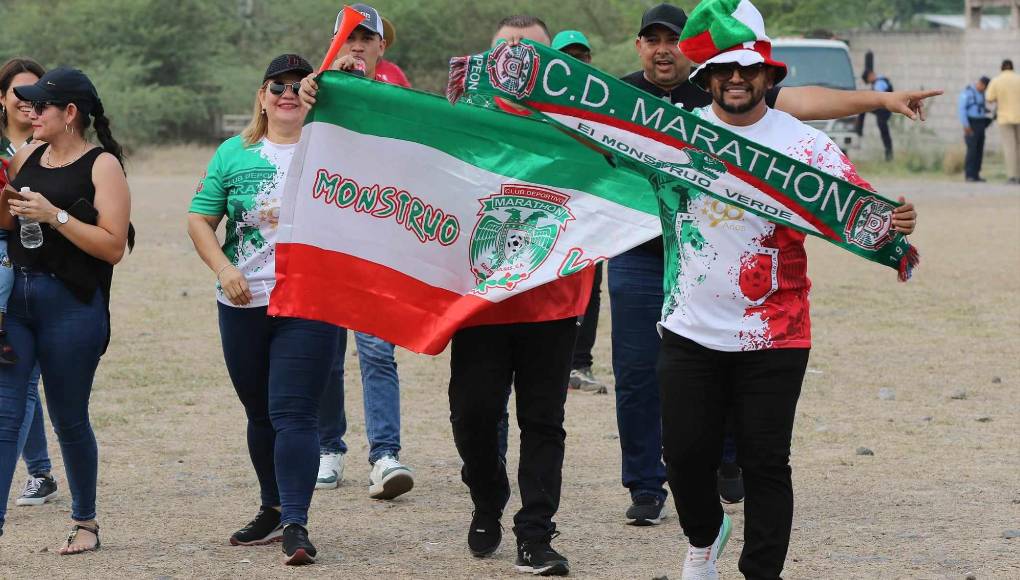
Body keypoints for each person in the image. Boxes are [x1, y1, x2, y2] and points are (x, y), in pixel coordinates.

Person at [608, 2, 942, 527]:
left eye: (670, 38)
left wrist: (883, 100)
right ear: (640, 47)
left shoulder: (742, 100)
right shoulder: (625, 104)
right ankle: (649, 487)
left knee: (750, 426)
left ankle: (731, 463)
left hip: (757, 295)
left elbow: (812, 111)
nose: (661, 48)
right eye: (651, 39)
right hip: (647, 261)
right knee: (641, 382)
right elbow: (571, 139)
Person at [188, 54, 341, 566]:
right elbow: (199, 220)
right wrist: (224, 269)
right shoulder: (235, 153)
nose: (288, 93)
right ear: (262, 96)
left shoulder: (336, 152)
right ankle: (272, 508)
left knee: (294, 413)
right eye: (277, 86)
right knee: (259, 413)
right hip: (242, 298)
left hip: (311, 301)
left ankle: (298, 523)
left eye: (300, 86)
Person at [0, 66, 133, 554]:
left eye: (41, 105)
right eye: (28, 104)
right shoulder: (26, 156)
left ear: (70, 113)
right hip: (17, 300)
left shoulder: (103, 167)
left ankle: (86, 523)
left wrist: (54, 217)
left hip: (72, 304)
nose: (31, 112)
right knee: (5, 414)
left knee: (69, 417)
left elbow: (113, 246)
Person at [312, 3, 415, 500]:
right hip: (325, 238)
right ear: (333, 43)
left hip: (377, 240)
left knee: (376, 349)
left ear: (380, 47)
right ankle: (329, 446)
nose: (356, 46)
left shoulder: (400, 95)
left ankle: (385, 455)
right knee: (326, 354)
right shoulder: (310, 91)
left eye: (365, 38)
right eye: (347, 37)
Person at [0, 57, 55, 509]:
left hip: (37, 270)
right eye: (19, 92)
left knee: (20, 376)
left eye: (38, 94)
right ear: (1, 98)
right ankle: (40, 469)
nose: (28, 102)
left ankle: (38, 473)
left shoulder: (54, 146)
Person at [551, 29, 607, 395]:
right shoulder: (541, 106)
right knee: (551, 284)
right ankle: (553, 362)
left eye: (581, 56)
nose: (575, 62)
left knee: (591, 287)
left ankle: (580, 364)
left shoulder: (604, 107)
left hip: (592, 209)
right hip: (552, 210)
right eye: (567, 56)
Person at [985, 59, 1020, 184]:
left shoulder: (996, 80)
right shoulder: (1018, 78)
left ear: (1001, 68)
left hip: (1004, 118)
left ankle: (1012, 177)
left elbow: (989, 98)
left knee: (1009, 148)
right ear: (1012, 68)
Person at [958, 76, 992, 182]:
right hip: (971, 123)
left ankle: (976, 174)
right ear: (981, 84)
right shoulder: (967, 93)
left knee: (979, 149)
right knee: (972, 150)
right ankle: (969, 175)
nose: (984, 90)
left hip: (980, 123)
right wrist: (966, 125)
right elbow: (961, 110)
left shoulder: (981, 94)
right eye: (984, 88)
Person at [861, 69, 895, 161]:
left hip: (884, 110)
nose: (869, 82)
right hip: (883, 110)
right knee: (884, 133)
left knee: (884, 133)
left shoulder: (879, 82)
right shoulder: (881, 80)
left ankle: (858, 130)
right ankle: (889, 156)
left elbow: (877, 96)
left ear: (870, 76)